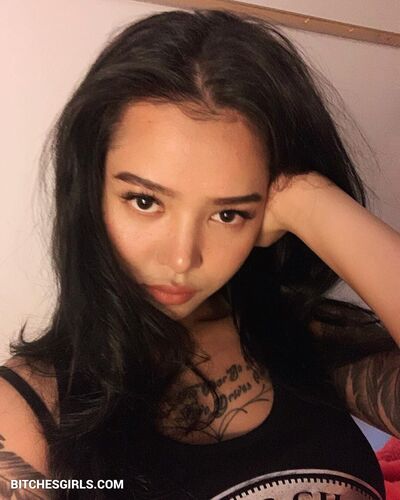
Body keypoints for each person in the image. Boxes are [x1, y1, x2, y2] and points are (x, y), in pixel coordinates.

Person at [0, 8, 399, 499]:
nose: (182, 259)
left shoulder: (301, 335)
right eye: (144, 201)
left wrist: (312, 204)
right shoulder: (23, 413)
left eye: (228, 213)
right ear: (90, 192)